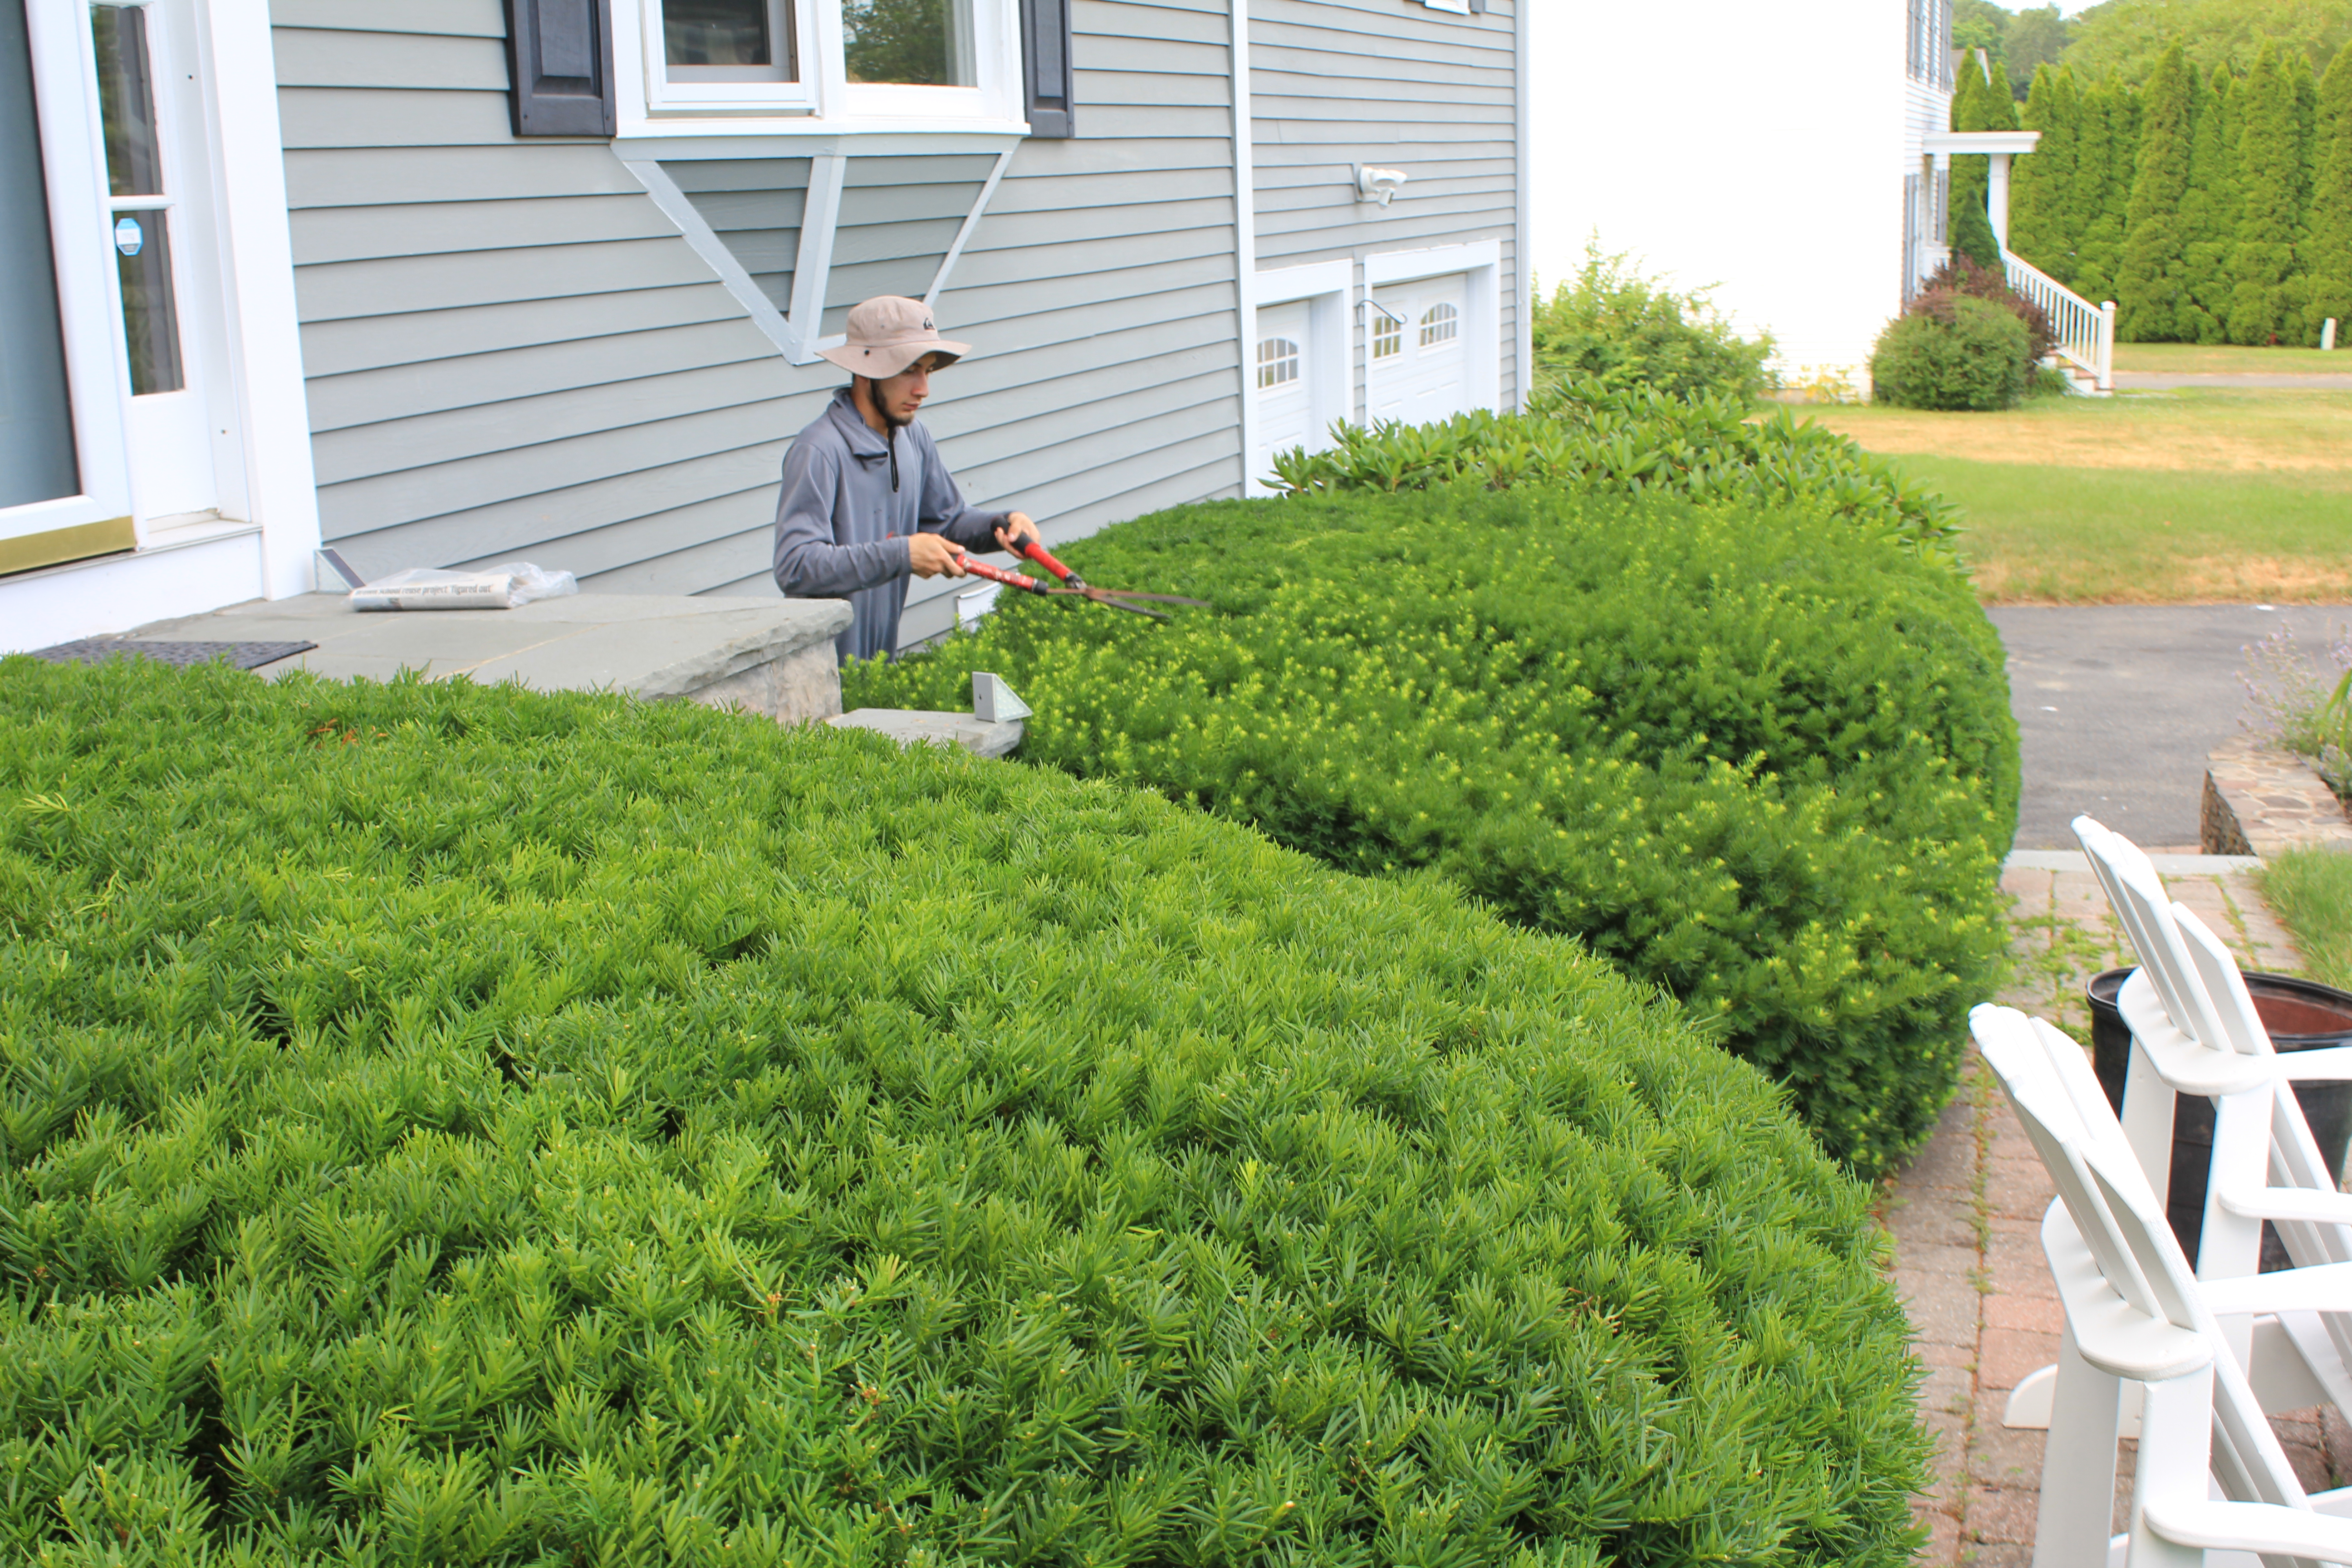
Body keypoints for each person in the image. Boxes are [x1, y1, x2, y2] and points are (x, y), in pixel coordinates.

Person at [771, 296, 1040, 663]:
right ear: (866, 371)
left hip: (881, 667)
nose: (923, 389)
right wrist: (903, 554)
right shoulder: (818, 450)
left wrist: (1002, 525)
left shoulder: (913, 436)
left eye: (927, 371)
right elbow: (796, 565)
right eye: (909, 370)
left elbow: (947, 520)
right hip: (822, 674)